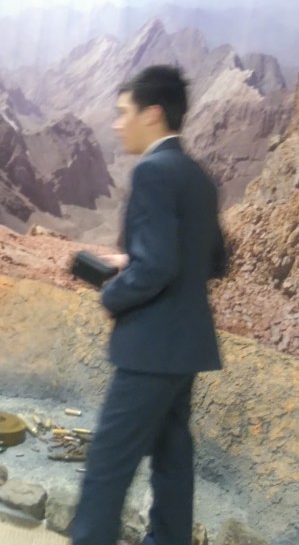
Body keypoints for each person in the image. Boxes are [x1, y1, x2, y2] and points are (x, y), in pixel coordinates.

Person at [71, 65, 228, 545]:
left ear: (153, 113)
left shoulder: (153, 172)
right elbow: (214, 259)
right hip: (186, 347)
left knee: (107, 466)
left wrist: (112, 294)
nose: (117, 124)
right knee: (172, 460)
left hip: (151, 349)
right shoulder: (197, 175)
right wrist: (132, 259)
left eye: (124, 113)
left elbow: (158, 267)